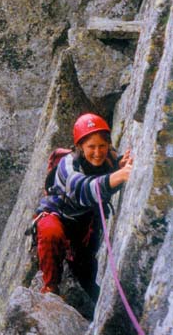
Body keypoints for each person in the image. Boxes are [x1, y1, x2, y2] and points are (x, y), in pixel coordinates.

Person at [35, 112, 133, 300]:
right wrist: (120, 176)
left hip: (86, 222)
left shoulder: (109, 158)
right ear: (79, 146)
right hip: (59, 216)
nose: (97, 153)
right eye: (91, 147)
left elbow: (103, 173)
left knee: (85, 271)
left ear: (109, 144)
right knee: (50, 232)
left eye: (102, 146)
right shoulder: (67, 166)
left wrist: (119, 166)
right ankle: (51, 288)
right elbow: (82, 190)